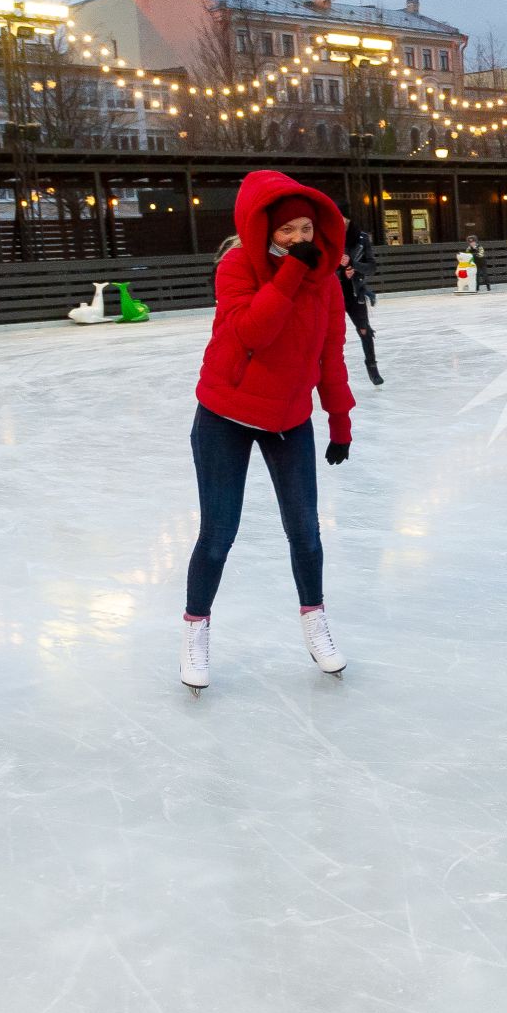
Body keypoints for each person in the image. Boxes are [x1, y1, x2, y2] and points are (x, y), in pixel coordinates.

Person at [182, 171, 355, 695]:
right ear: (266, 232)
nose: (301, 239)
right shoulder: (236, 266)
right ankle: (195, 630)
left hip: (288, 420)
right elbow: (253, 330)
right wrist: (287, 278)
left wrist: (340, 421)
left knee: (306, 531)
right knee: (218, 534)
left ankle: (316, 622)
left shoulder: (323, 281)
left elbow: (330, 355)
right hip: (224, 416)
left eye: (307, 229)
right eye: (289, 231)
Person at [339, 218, 382, 385]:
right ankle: (329, 371)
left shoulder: (362, 239)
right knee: (331, 334)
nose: (341, 221)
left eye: (344, 218)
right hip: (333, 293)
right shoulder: (326, 237)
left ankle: (372, 366)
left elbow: (371, 267)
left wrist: (354, 266)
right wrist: (340, 273)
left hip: (355, 292)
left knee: (364, 330)